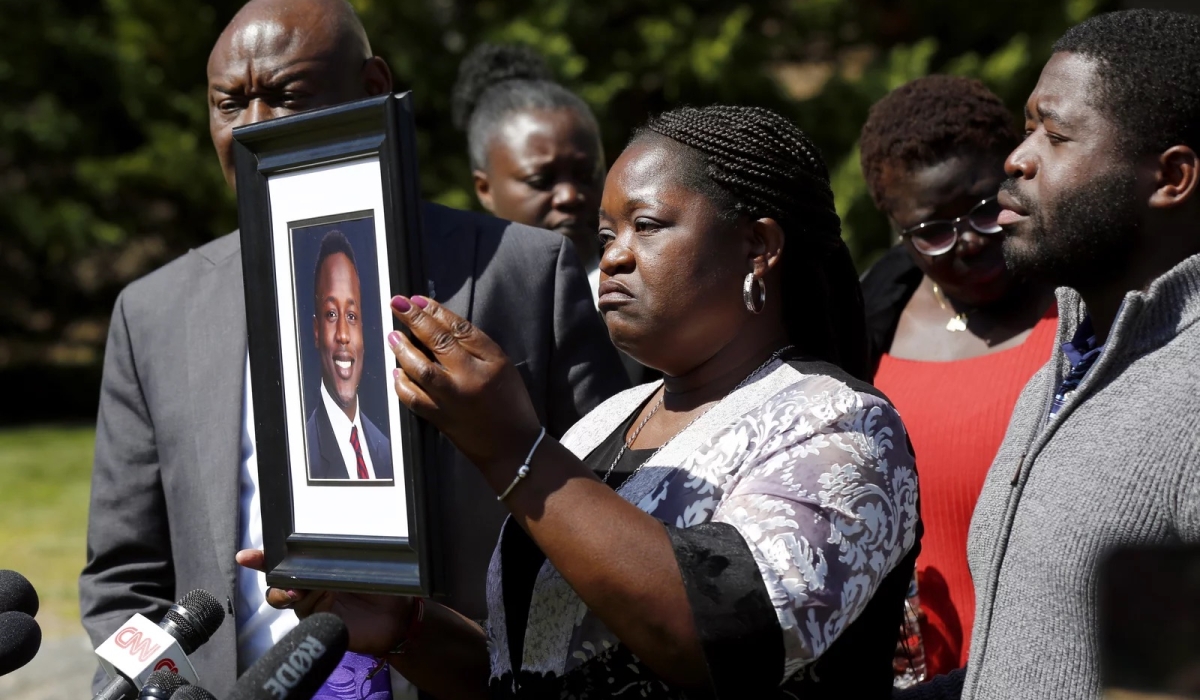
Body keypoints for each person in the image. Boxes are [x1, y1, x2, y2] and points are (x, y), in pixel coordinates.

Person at [245, 104, 923, 699]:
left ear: (759, 246)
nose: (616, 258)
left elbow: (722, 641)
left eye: (647, 226)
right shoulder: (605, 422)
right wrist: (407, 630)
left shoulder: (840, 424)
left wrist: (515, 449)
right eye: (606, 238)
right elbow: (537, 673)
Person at [78, 0, 628, 696]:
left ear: (372, 90)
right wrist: (159, 686)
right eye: (229, 103)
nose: (252, 128)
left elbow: (611, 521)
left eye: (283, 97)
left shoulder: (521, 273)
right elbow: (123, 576)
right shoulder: (155, 313)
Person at [901, 9, 1200, 700]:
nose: (1018, 156)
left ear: (1172, 178)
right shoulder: (1066, 366)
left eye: (1056, 134)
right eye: (1029, 125)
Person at [857, 75, 1057, 678]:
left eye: (983, 207)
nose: (969, 241)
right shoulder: (866, 328)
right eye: (934, 231)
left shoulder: (1089, 305)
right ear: (897, 226)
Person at [451, 43, 605, 299]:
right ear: (485, 189)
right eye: (541, 180)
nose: (569, 196)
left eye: (586, 175)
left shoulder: (653, 306)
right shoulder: (457, 300)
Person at [305, 230, 391, 481]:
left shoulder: (387, 451)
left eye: (352, 317)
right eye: (331, 314)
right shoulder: (303, 455)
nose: (343, 334)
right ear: (317, 331)